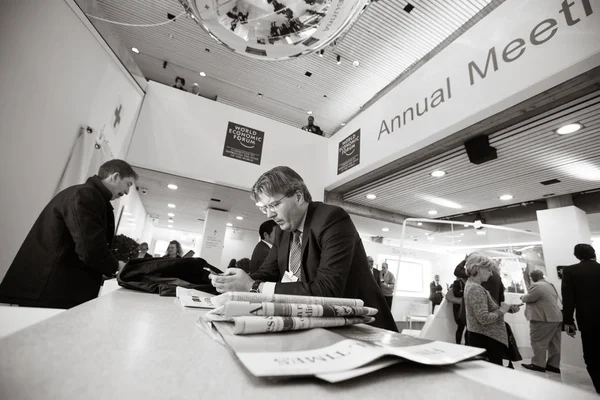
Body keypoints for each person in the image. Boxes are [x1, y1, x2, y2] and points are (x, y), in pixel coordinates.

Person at [209, 166, 396, 331]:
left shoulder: (332, 219)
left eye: (274, 205)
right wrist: (233, 282)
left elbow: (327, 290)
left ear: (298, 196)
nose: (269, 214)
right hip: (320, 325)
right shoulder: (283, 232)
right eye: (264, 208)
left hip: (363, 328)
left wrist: (253, 287)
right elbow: (267, 273)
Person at [0, 160, 138, 308]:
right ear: (115, 177)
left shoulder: (87, 195)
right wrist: (117, 265)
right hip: (49, 291)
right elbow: (90, 248)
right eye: (128, 184)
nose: (127, 192)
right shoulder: (86, 195)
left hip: (51, 290)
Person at [463, 253, 520, 365]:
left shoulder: (471, 285)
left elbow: (482, 311)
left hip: (482, 337)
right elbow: (484, 318)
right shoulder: (476, 289)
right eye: (489, 270)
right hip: (486, 339)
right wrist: (501, 310)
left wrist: (506, 308)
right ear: (477, 269)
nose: (491, 273)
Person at [562, 243, 600, 393]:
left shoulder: (570, 271)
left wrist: (568, 322)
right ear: (594, 253)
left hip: (587, 319)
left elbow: (568, 298)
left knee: (592, 353)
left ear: (577, 256)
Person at [520, 270, 563, 373]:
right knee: (554, 343)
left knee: (538, 341)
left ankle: (538, 364)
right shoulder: (550, 285)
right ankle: (553, 365)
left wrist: (522, 297)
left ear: (532, 278)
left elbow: (529, 298)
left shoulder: (537, 286)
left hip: (543, 318)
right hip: (556, 317)